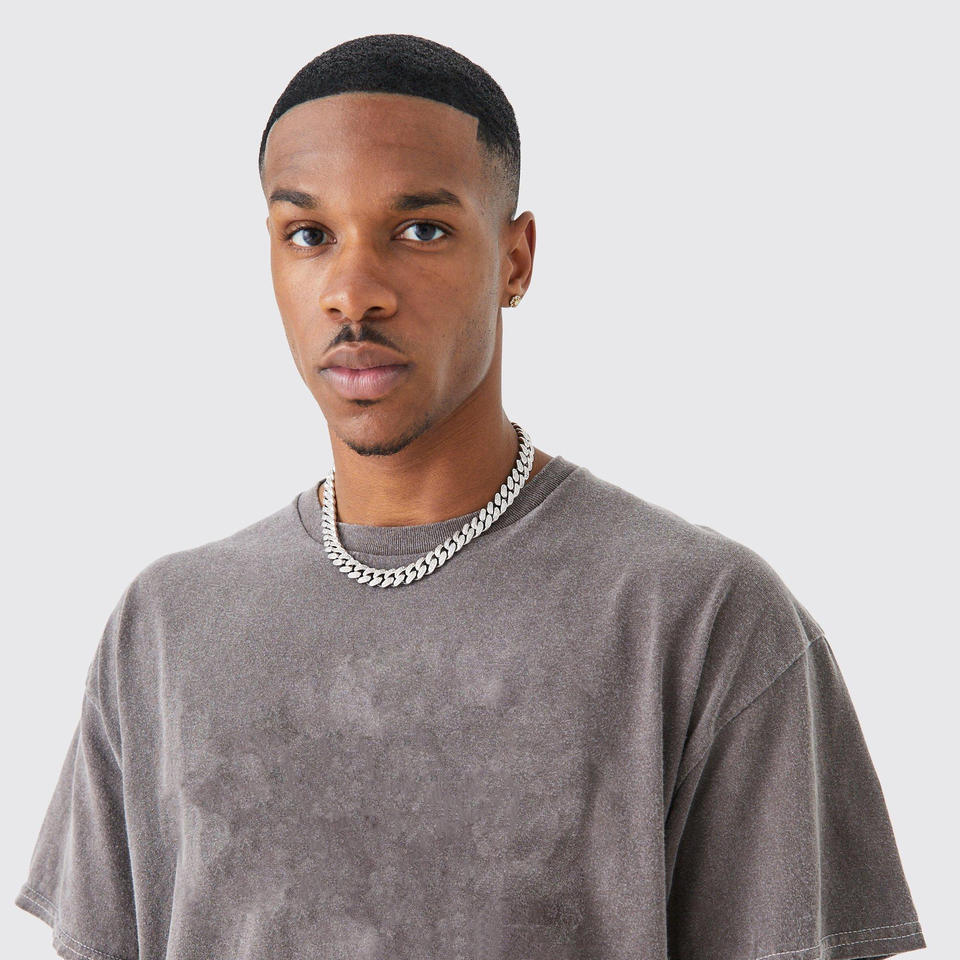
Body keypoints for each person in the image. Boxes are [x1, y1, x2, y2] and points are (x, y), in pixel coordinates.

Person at [14, 33, 926, 960]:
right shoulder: (165, 627)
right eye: (310, 235)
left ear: (515, 260)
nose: (353, 294)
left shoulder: (699, 619)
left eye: (420, 230)